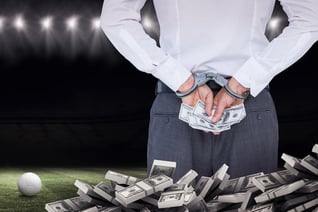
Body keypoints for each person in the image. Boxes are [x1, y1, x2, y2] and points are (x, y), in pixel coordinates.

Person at [100, 0, 318, 180]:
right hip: (248, 100)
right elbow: (311, 19)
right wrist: (244, 81)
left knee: (170, 204)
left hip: (178, 100)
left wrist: (181, 81)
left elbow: (116, 19)